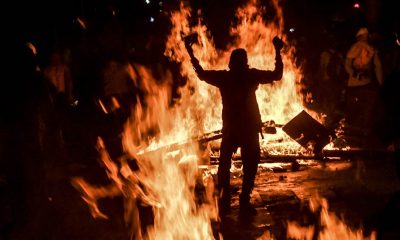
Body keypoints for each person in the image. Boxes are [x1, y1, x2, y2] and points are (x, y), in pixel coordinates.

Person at [184, 35, 284, 218]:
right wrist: (278, 51)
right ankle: (243, 201)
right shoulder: (251, 75)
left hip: (233, 128)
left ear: (230, 62)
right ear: (245, 62)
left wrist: (190, 52)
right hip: (247, 128)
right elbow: (277, 75)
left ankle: (225, 202)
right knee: (249, 166)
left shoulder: (224, 77)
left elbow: (201, 73)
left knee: (224, 166)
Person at [343, 27, 383, 143]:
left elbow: (377, 67)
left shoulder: (367, 49)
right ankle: (357, 135)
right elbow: (378, 67)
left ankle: (358, 135)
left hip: (360, 85)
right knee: (360, 110)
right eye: (365, 36)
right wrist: (380, 83)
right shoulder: (362, 48)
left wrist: (380, 83)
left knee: (359, 110)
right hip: (359, 84)